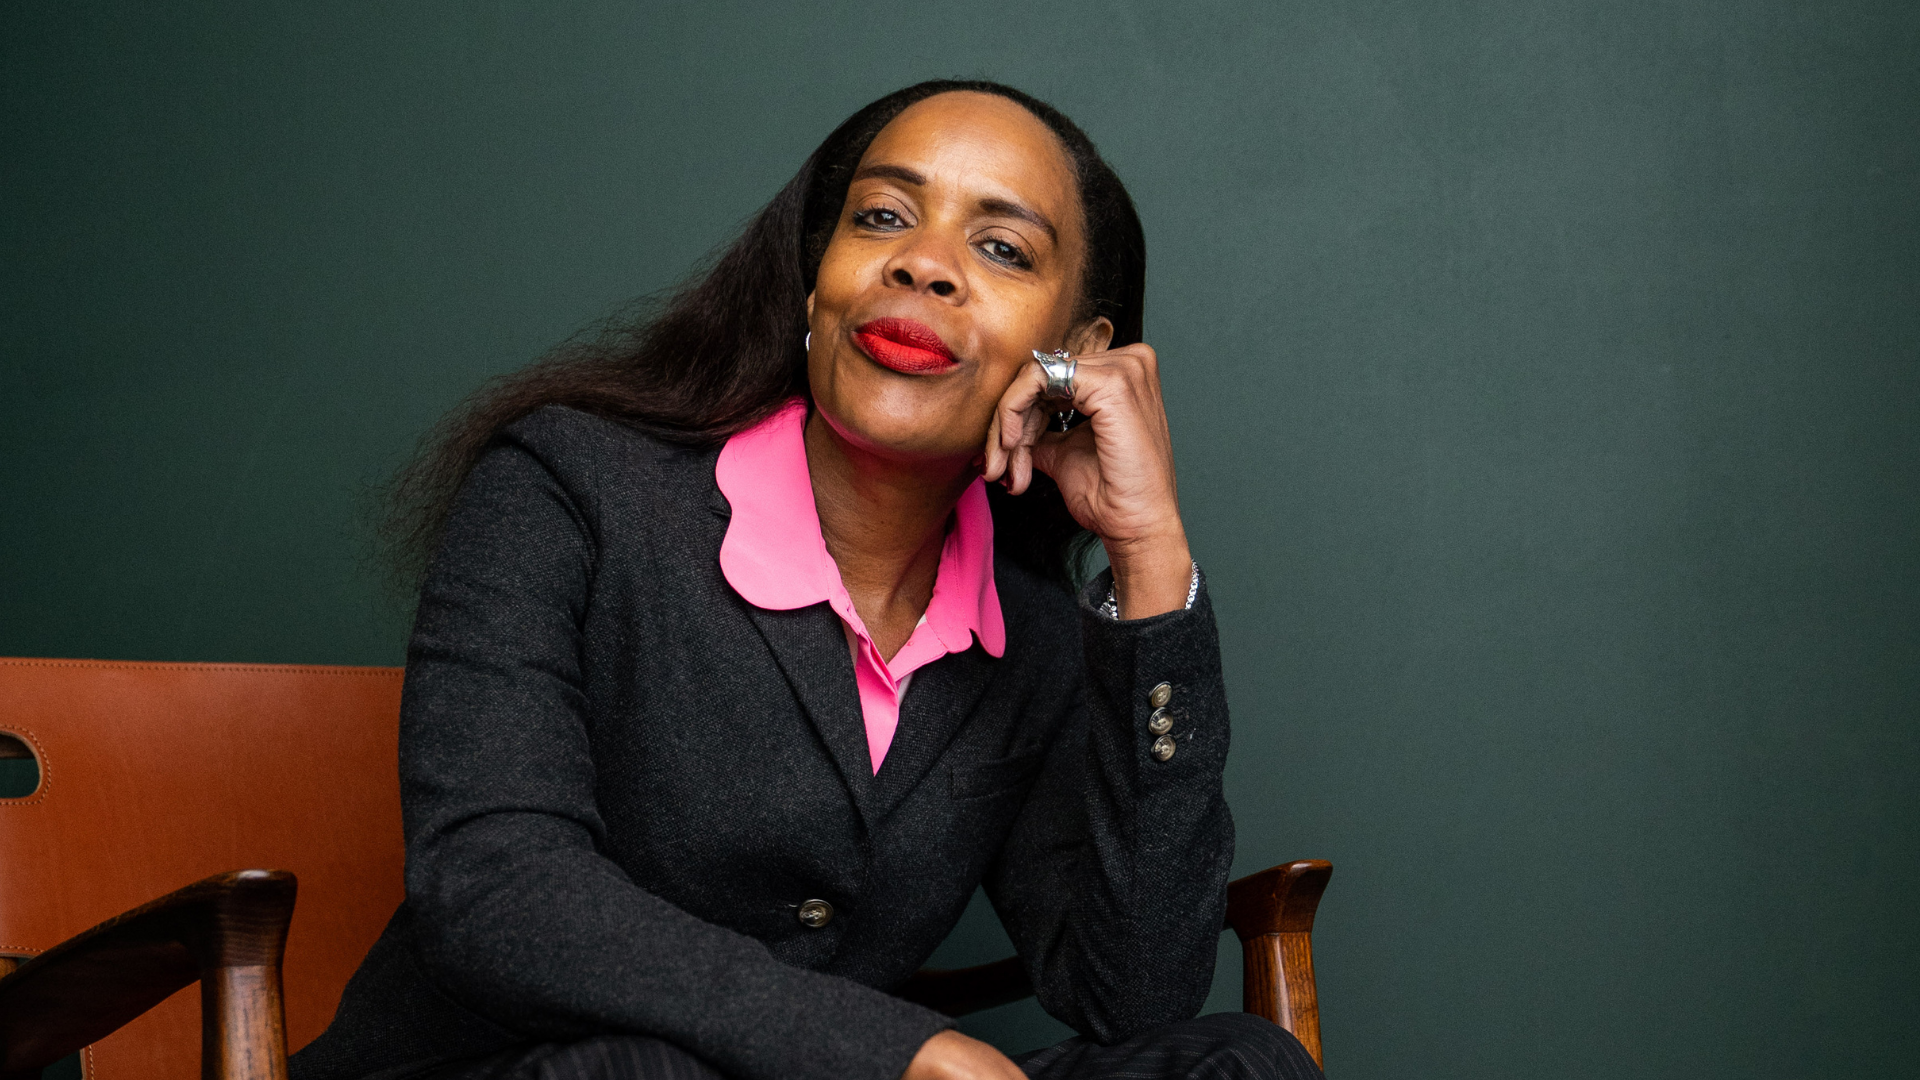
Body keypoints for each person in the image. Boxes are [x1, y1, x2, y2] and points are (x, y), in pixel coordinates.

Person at [290, 80, 1322, 1080]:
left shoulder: (1029, 634)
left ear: (1075, 357)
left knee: (1239, 1061)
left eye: (1000, 249)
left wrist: (1150, 558)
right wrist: (886, 1050)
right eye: (882, 218)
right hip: (522, 1066)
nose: (925, 265)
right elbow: (494, 889)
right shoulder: (569, 489)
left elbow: (1133, 994)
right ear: (813, 277)